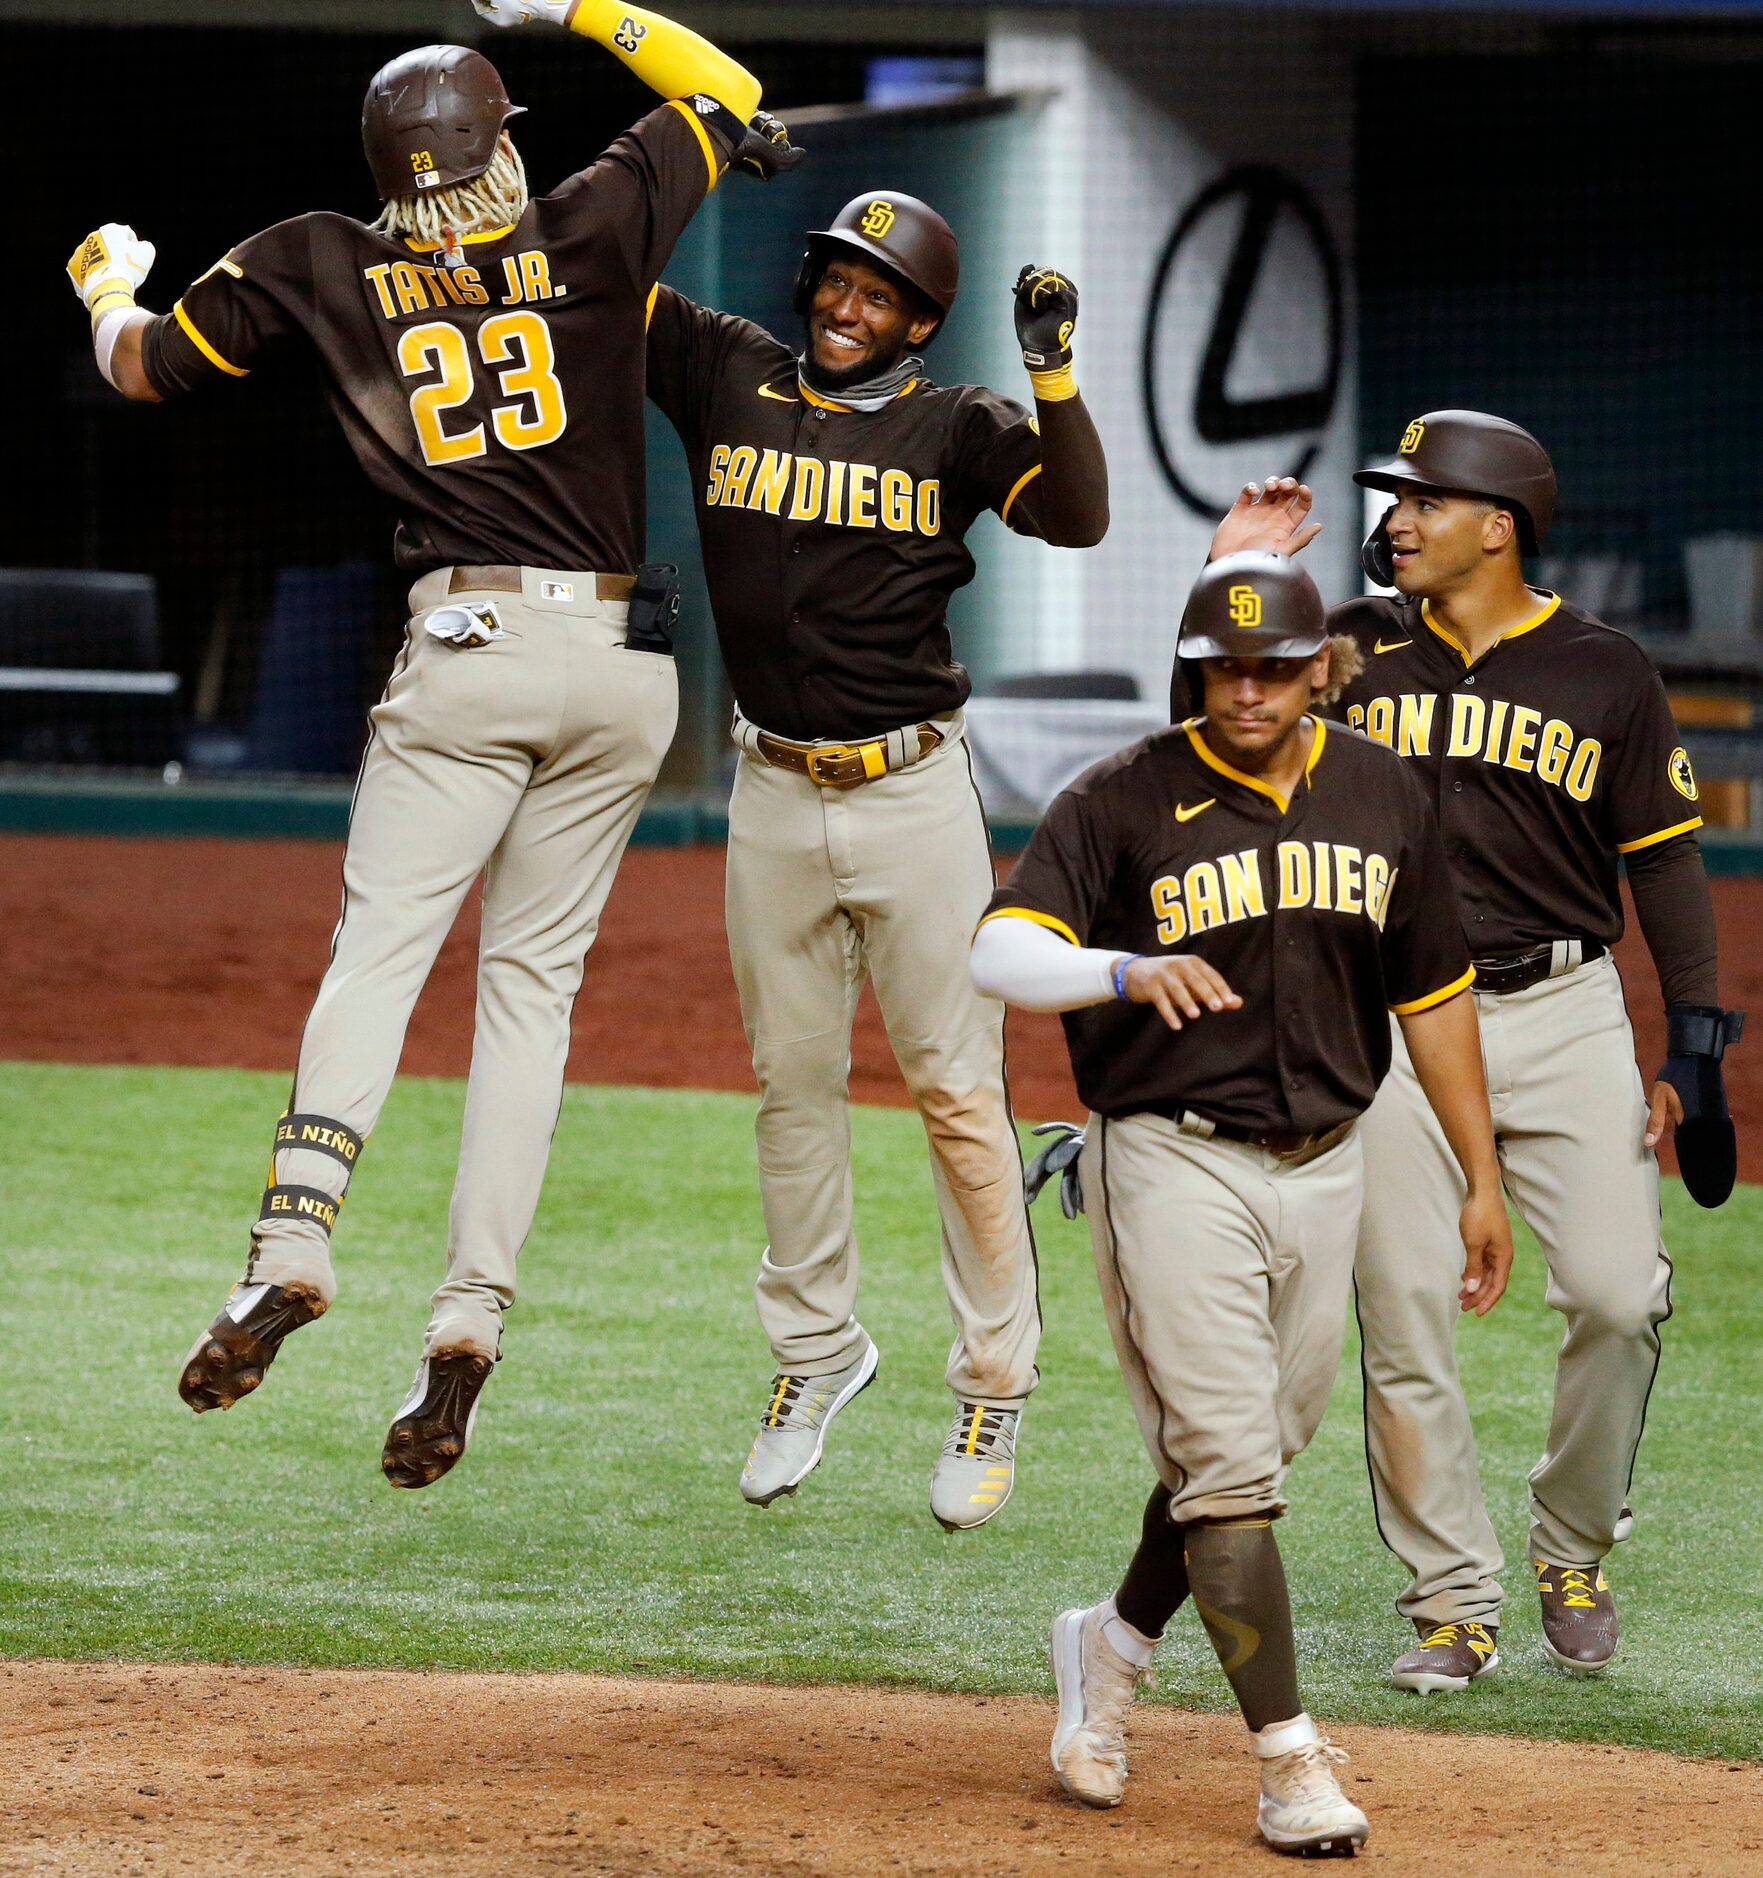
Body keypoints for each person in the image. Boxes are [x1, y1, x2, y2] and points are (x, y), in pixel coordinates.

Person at [67, 4, 799, 1487]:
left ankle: (290, 1244)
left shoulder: (315, 255)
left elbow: (141, 369)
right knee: (529, 1001)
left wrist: (102, 282)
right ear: (499, 138)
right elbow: (725, 85)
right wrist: (572, 7)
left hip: (464, 645)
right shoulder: (596, 219)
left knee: (380, 954)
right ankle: (466, 1323)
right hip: (621, 662)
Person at [971, 552, 1511, 1855]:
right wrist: (1117, 966)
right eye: (1225, 665)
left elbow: (1430, 991)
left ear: (1322, 669)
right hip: (1168, 1159)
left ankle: (1105, 1645)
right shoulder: (1118, 796)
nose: (1248, 688)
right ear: (1196, 668)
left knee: (1244, 1463)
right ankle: (1286, 1762)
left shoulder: (1385, 793)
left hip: (1330, 1165)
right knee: (1224, 1468)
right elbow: (999, 946)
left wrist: (1478, 1174)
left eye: (1274, 666)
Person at [1208, 414, 1743, 1688]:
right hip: (1387, 1019)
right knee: (1398, 1316)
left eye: (1420, 502)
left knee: (1618, 1298)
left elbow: (1662, 860)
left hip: (1560, 1015)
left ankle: (1570, 1546)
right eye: (1389, 501)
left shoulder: (1603, 670)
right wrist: (1235, 566)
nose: (1393, 519)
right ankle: (1450, 1596)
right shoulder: (1342, 644)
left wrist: (1699, 1042)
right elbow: (1215, 702)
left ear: (1497, 526)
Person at [645, 195, 1109, 1527]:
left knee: (956, 1093)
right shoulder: (721, 364)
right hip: (770, 788)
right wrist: (675, 122)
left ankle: (992, 1381)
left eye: (881, 294)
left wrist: (1052, 376)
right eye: (837, 280)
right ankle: (812, 1353)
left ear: (919, 321)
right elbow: (595, 269)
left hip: (912, 793)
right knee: (789, 1085)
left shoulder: (955, 425)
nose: (849, 308)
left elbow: (1072, 517)